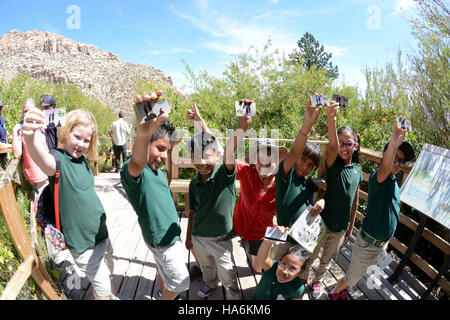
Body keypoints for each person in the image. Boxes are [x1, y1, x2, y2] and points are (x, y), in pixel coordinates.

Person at [23, 108, 117, 300]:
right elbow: (42, 159)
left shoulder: (82, 161)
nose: (81, 144)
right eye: (76, 137)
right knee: (102, 284)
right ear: (65, 132)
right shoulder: (59, 160)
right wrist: (30, 137)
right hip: (82, 242)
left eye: (86, 140)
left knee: (107, 272)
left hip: (100, 234)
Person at [328, 117, 415, 300]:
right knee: (352, 277)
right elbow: (385, 167)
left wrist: (387, 241)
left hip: (381, 244)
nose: (397, 163)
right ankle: (334, 293)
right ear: (386, 155)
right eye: (394, 157)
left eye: (401, 161)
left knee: (366, 275)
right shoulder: (379, 177)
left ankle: (344, 289)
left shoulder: (393, 182)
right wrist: (394, 141)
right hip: (368, 244)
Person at [120, 90, 190, 300]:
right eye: (159, 148)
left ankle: (164, 290)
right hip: (161, 241)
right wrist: (143, 134)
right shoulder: (135, 172)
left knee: (165, 272)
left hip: (169, 236)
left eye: (167, 151)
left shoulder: (158, 173)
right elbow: (137, 161)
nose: (163, 156)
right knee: (181, 281)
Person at [185, 99, 252, 300]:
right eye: (196, 157)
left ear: (217, 155)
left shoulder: (224, 173)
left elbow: (228, 149)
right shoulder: (194, 183)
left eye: (207, 156)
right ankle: (210, 284)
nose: (202, 162)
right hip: (199, 238)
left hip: (220, 239)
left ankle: (232, 296)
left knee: (228, 273)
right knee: (206, 268)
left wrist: (243, 126)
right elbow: (192, 212)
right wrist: (189, 237)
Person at [301, 96, 363, 300]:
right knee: (310, 254)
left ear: (356, 143)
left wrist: (351, 225)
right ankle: (302, 278)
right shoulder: (332, 163)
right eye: (341, 143)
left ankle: (317, 281)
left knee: (326, 260)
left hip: (340, 227)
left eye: (349, 143)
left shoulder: (357, 170)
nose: (345, 147)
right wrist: (332, 119)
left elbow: (354, 200)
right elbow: (334, 147)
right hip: (322, 222)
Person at [271, 99, 325, 261]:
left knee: (294, 274)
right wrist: (308, 123)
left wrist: (322, 202)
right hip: (282, 241)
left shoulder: (306, 184)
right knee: (275, 272)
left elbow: (314, 203)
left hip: (301, 240)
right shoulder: (286, 175)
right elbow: (295, 150)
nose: (305, 166)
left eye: (311, 165)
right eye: (303, 160)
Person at [233, 138, 288, 272]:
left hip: (260, 233)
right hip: (238, 223)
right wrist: (200, 122)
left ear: (278, 161)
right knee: (204, 237)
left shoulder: (281, 184)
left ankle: (254, 253)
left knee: (258, 268)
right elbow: (223, 156)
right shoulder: (247, 172)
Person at [253, 226, 310, 300]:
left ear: (301, 272)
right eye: (284, 264)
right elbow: (262, 259)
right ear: (280, 261)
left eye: (292, 268)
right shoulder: (272, 268)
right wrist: (270, 238)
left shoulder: (298, 288)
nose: (284, 271)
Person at [0, 99, 12, 170]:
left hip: (5, 155)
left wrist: (9, 135)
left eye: (0, 108)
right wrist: (12, 146)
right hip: (0, 159)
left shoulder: (2, 120)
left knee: (13, 178)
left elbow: (4, 130)